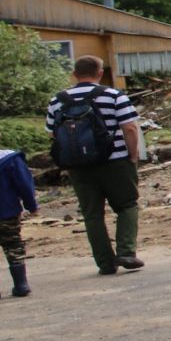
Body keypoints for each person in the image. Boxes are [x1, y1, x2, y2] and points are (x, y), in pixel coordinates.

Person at [46, 56, 146, 277]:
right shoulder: (113, 95)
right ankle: (126, 252)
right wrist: (132, 154)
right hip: (116, 161)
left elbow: (54, 133)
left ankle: (105, 263)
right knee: (127, 205)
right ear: (100, 73)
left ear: (74, 74)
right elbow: (129, 128)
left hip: (78, 167)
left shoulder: (57, 100)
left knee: (92, 214)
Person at [0, 120, 40, 301]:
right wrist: (31, 206)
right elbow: (24, 184)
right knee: (14, 245)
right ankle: (21, 284)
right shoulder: (10, 159)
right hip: (7, 211)